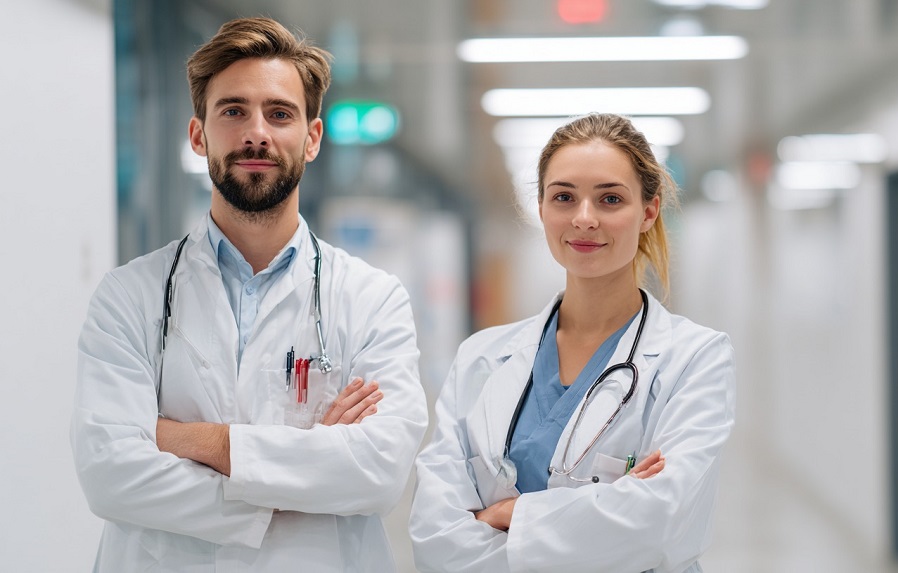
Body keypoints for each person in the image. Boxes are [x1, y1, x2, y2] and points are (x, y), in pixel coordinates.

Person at [70, 17, 427, 572]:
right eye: (233, 111)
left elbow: (381, 473)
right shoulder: (129, 296)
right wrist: (300, 478)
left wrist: (191, 441)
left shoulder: (372, 298)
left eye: (279, 113)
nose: (256, 132)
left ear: (311, 139)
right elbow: (110, 474)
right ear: (198, 135)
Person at [409, 113, 736, 572]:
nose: (585, 219)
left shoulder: (694, 358)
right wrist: (605, 512)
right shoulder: (480, 357)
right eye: (564, 197)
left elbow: (665, 522)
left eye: (610, 199)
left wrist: (511, 515)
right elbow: (433, 535)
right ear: (541, 209)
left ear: (648, 212)